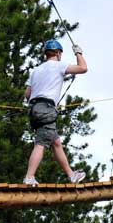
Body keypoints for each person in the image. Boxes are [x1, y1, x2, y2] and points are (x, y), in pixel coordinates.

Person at [22, 40, 87, 185]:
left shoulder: (36, 71)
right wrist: (78, 53)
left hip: (34, 109)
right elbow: (83, 68)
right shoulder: (59, 65)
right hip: (46, 108)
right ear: (58, 53)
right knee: (41, 143)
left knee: (56, 142)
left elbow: (27, 94)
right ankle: (29, 177)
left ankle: (71, 175)